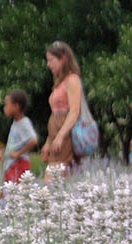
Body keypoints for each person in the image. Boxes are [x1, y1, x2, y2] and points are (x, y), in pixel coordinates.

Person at [40, 41, 83, 178]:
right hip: (55, 132)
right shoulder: (59, 83)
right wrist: (49, 141)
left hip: (65, 133)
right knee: (60, 178)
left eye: (51, 60)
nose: (49, 65)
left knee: (52, 177)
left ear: (63, 58)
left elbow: (74, 111)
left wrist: (60, 136)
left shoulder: (72, 80)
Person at [0, 89, 38, 183]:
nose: (5, 108)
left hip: (19, 164)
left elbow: (33, 140)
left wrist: (18, 153)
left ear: (16, 106)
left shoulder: (24, 123)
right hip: (11, 164)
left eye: (7, 105)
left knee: (14, 193)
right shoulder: (16, 123)